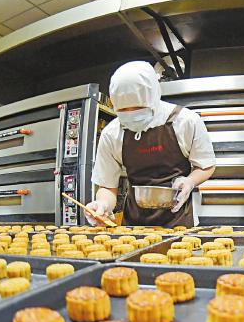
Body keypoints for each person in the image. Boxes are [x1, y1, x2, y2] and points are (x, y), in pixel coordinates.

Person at [86, 61, 215, 227]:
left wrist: (190, 182)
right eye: (123, 111)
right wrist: (102, 205)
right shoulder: (111, 134)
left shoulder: (186, 121)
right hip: (134, 225)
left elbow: (206, 166)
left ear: (154, 98)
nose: (131, 114)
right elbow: (107, 187)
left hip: (180, 220)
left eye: (139, 108)